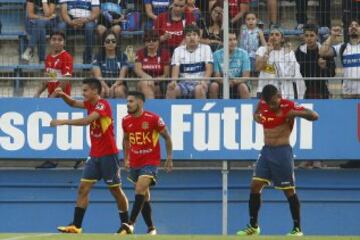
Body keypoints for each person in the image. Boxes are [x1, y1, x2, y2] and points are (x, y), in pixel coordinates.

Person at [236, 84, 319, 237]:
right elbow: (256, 113)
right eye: (270, 103)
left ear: (279, 96)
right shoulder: (262, 104)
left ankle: (297, 228)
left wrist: (295, 113)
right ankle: (253, 226)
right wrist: (256, 117)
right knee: (255, 186)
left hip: (282, 152)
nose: (273, 106)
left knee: (288, 191)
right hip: (266, 151)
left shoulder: (289, 105)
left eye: (274, 102)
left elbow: (315, 115)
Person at [52, 78, 129, 234]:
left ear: (95, 91)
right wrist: (63, 95)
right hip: (94, 155)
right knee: (83, 188)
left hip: (109, 154)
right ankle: (76, 226)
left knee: (115, 190)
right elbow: (73, 103)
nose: (83, 93)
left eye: (86, 90)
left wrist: (64, 122)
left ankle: (126, 225)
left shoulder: (103, 105)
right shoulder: (90, 104)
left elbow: (87, 120)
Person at [120, 91, 173, 235]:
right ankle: (151, 229)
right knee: (144, 195)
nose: (128, 104)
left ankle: (130, 224)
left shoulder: (153, 119)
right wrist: (126, 158)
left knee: (139, 189)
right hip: (135, 161)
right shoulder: (125, 120)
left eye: (131, 101)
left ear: (140, 103)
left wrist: (169, 157)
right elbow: (125, 139)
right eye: (127, 101)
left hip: (151, 161)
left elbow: (167, 137)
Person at [33, 31, 73, 169]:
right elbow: (49, 78)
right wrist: (38, 93)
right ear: (50, 42)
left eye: (59, 39)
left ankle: (56, 159)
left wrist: (54, 96)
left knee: (58, 127)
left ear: (64, 42)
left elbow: (66, 79)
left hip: (61, 99)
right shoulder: (49, 57)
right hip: (51, 98)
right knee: (52, 126)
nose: (56, 42)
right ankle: (52, 157)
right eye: (54, 39)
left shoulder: (66, 57)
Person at [255, 26, 306, 99]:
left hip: (283, 91)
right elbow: (258, 67)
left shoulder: (288, 52)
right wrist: (268, 52)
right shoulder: (262, 50)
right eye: (271, 34)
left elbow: (292, 72)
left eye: (277, 35)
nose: (273, 37)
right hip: (264, 90)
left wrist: (287, 55)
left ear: (282, 39)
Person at [166, 24, 213, 99]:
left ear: (199, 37)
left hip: (200, 82)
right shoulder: (178, 50)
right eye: (188, 35)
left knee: (199, 89)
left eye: (194, 35)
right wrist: (173, 82)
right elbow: (175, 69)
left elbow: (209, 69)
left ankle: (200, 111)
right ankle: (168, 111)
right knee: (171, 89)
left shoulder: (206, 48)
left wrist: (204, 80)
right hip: (183, 83)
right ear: (184, 38)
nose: (192, 38)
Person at [320, 18, 360, 99]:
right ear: (347, 30)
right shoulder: (342, 47)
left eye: (357, 25)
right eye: (351, 26)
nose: (353, 27)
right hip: (347, 93)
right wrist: (332, 36)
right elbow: (322, 52)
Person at [295, 24, 334, 99]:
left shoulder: (325, 51)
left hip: (322, 91)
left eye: (312, 35)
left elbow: (332, 73)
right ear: (303, 37)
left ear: (317, 36)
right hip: (303, 91)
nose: (309, 38)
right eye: (306, 35)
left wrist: (324, 67)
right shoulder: (299, 51)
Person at [210, 30, 251, 99]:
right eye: (229, 40)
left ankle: (246, 109)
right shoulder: (216, 54)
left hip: (239, 83)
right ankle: (214, 109)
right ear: (223, 42)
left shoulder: (244, 54)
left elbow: (246, 76)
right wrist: (226, 82)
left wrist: (235, 81)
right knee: (213, 86)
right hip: (222, 83)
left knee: (243, 87)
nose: (233, 42)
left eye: (234, 39)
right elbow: (217, 75)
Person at [134, 30, 171, 99]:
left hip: (159, 83)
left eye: (154, 40)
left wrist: (153, 81)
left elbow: (166, 74)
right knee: (145, 83)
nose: (151, 42)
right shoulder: (140, 53)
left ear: (158, 42)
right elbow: (137, 70)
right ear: (145, 42)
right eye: (148, 40)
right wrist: (149, 78)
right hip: (143, 81)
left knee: (149, 86)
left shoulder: (165, 53)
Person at [92, 30, 128, 98]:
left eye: (113, 41)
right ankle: (98, 109)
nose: (111, 43)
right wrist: (106, 87)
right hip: (102, 84)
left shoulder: (123, 56)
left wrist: (113, 86)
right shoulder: (98, 56)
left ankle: (121, 109)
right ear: (104, 43)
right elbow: (98, 76)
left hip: (118, 84)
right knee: (101, 91)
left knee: (118, 91)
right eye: (108, 41)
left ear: (116, 43)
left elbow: (122, 76)